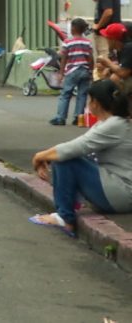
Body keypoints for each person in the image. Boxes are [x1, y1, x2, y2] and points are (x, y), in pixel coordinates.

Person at [29, 80, 132, 237]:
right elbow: (80, 148)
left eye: (89, 99)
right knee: (66, 157)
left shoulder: (115, 124)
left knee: (65, 159)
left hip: (123, 193)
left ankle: (65, 216)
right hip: (117, 190)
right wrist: (47, 158)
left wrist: (39, 157)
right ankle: (70, 205)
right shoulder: (109, 123)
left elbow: (73, 148)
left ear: (95, 102)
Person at [51, 18, 93, 126]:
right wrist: (91, 71)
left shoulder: (67, 42)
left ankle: (61, 118)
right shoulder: (88, 42)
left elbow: (64, 58)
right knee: (82, 95)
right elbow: (90, 58)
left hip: (72, 71)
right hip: (85, 70)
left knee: (65, 94)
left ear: (73, 28)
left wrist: (61, 73)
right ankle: (78, 118)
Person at [87, 0, 122, 78]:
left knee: (104, 58)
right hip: (110, 31)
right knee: (109, 57)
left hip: (104, 32)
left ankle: (103, 84)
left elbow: (108, 12)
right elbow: (99, 0)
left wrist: (98, 25)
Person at [96, 23, 132, 95]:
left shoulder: (128, 48)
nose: (106, 40)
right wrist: (108, 67)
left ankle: (123, 103)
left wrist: (108, 63)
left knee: (114, 78)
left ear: (113, 40)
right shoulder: (121, 48)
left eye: (107, 38)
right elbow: (124, 66)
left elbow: (123, 73)